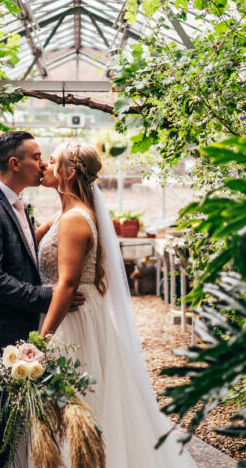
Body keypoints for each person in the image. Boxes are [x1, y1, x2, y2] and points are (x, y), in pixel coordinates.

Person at [36, 141, 199, 468]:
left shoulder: (73, 220)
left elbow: (68, 283)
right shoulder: (66, 212)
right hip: (73, 310)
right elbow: (29, 238)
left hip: (73, 317)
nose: (43, 166)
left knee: (78, 398)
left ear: (68, 173)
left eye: (50, 161)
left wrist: (41, 339)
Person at [0, 131, 85, 468]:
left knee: (12, 434)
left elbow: (24, 250)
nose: (43, 163)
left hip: (17, 334)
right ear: (14, 163)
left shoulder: (16, 204)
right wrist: (45, 297)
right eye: (36, 156)